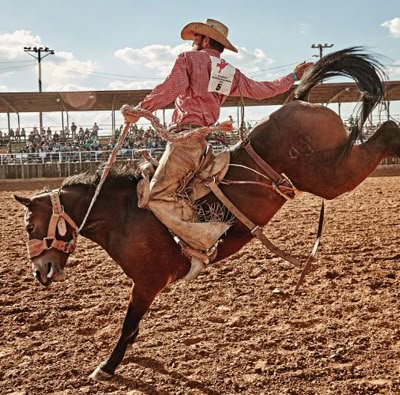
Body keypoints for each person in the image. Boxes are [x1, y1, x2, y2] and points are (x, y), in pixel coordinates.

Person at [124, 18, 312, 279]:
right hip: (201, 141)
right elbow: (262, 90)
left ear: (205, 39)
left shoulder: (189, 59)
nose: (193, 40)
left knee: (156, 195)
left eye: (197, 36)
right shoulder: (228, 70)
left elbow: (170, 89)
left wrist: (141, 109)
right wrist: (293, 76)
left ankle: (199, 244)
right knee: (187, 190)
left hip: (186, 139)